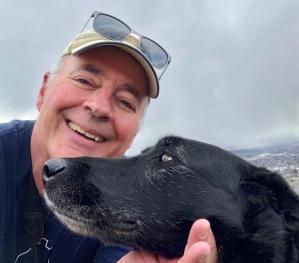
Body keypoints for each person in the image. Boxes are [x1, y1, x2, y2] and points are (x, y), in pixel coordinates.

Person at [0, 11, 217, 263]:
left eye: (125, 102)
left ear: (134, 133)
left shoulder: (132, 200)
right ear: (42, 91)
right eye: (84, 80)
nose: (100, 107)